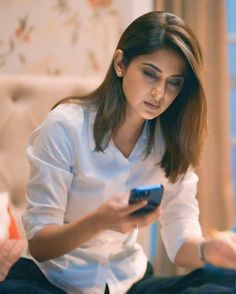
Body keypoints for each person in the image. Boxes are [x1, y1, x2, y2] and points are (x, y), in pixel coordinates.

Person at [0, 10, 236, 294]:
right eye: (150, 74)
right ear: (120, 63)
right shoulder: (65, 127)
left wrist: (210, 250)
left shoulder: (172, 141)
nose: (159, 93)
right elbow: (39, 243)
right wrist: (100, 221)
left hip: (127, 282)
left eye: (173, 82)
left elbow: (181, 245)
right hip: (54, 281)